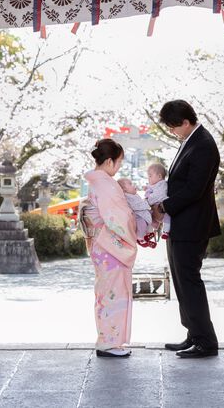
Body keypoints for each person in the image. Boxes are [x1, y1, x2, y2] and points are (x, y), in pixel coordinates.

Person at [154, 100, 220, 359]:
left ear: (185, 121)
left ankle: (206, 341)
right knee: (182, 282)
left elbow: (195, 189)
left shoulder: (203, 144)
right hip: (182, 223)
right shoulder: (190, 141)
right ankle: (193, 333)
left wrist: (164, 206)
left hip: (192, 225)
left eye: (173, 127)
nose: (172, 132)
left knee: (190, 281)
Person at [82, 138, 137, 358]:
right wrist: (135, 220)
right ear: (110, 161)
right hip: (110, 246)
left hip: (101, 244)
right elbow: (118, 217)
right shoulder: (105, 183)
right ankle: (109, 342)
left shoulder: (97, 181)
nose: (120, 167)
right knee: (113, 293)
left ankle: (107, 339)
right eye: (120, 162)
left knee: (106, 293)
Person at [117, 177, 155, 247]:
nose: (134, 185)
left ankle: (147, 235)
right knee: (142, 223)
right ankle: (140, 238)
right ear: (124, 189)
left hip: (141, 213)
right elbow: (136, 206)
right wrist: (147, 204)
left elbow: (139, 202)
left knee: (149, 219)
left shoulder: (133, 195)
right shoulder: (127, 196)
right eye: (130, 184)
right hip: (137, 216)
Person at [145, 163, 171, 239]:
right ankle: (150, 231)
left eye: (150, 176)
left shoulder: (162, 184)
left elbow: (158, 196)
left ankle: (166, 231)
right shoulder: (155, 184)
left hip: (162, 207)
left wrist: (148, 201)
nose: (148, 178)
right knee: (147, 215)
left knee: (168, 217)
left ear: (159, 176)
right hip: (156, 207)